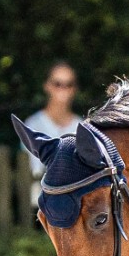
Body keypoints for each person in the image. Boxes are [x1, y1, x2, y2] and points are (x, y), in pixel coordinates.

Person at [22, 62, 81, 201]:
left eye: (69, 84)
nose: (63, 89)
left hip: (74, 203)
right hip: (39, 204)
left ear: (74, 89)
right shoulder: (32, 124)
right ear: (47, 86)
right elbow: (34, 168)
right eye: (57, 84)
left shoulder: (82, 126)